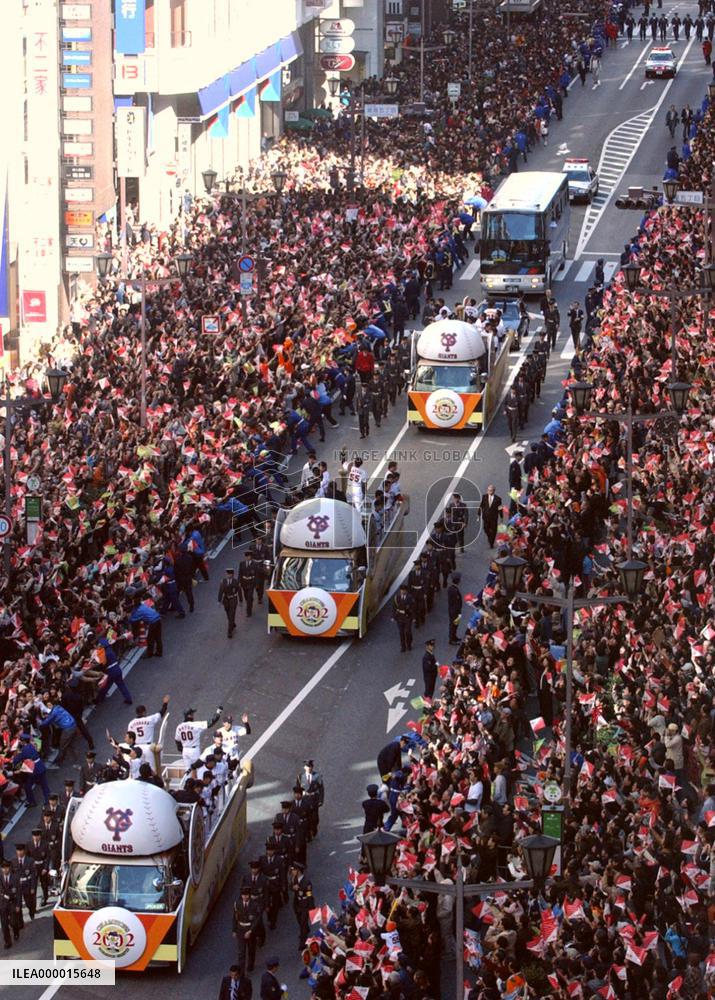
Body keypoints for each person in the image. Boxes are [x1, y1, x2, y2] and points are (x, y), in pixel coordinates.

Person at [175, 706, 222, 770]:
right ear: (189, 715)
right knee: (197, 769)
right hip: (194, 751)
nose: (193, 715)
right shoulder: (195, 725)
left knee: (188, 770)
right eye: (192, 714)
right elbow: (211, 722)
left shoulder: (179, 727)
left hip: (185, 751)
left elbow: (177, 742)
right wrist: (218, 713)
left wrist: (183, 750)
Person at [232, 884, 261, 975]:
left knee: (251, 949)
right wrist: (234, 930)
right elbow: (234, 917)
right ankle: (241, 973)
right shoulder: (237, 904)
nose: (245, 897)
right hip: (241, 929)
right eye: (243, 895)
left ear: (249, 895)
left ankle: (251, 964)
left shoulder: (255, 904)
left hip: (250, 929)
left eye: (247, 895)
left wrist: (250, 931)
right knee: (241, 952)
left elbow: (257, 919)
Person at [289, 861, 314, 952]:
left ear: (298, 871)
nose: (292, 872)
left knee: (303, 923)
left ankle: (302, 943)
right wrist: (293, 887)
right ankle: (305, 929)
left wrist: (311, 908)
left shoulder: (306, 882)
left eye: (294, 870)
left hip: (305, 904)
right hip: (297, 904)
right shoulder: (294, 879)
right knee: (299, 920)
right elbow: (290, 887)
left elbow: (309, 895)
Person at [297, 759, 324, 839]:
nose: (309, 768)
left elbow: (321, 789)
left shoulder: (317, 776)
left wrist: (321, 800)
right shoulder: (300, 777)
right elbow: (298, 789)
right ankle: (308, 834)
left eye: (311, 766)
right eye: (307, 766)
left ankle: (314, 830)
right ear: (304, 767)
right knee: (306, 818)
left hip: (314, 799)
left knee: (315, 818)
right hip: (304, 799)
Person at [11, 844, 36, 928]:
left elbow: (33, 875)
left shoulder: (30, 861)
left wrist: (32, 887)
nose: (19, 852)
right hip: (18, 886)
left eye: (21, 850)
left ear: (24, 851)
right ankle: (20, 923)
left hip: (27, 885)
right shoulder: (13, 861)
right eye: (18, 850)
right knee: (18, 904)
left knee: (29, 903)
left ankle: (31, 912)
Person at [0, 859, 18, 948]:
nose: (5, 870)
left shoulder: (15, 877)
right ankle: (7, 942)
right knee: (4, 924)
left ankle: (16, 930)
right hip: (2, 904)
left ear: (9, 868)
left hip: (12, 903)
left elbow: (18, 892)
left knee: (13, 922)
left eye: (6, 868)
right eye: (3, 868)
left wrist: (18, 905)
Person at [218, 567, 241, 638]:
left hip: (233, 599)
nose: (228, 575)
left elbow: (239, 590)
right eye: (227, 574)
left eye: (230, 574)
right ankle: (232, 623)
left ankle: (229, 632)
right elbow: (221, 591)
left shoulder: (236, 581)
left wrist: (241, 600)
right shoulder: (223, 581)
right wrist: (219, 601)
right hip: (226, 599)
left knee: (231, 614)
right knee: (228, 613)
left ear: (232, 574)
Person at [392, 583, 414, 652]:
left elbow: (413, 608)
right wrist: (393, 616)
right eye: (401, 590)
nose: (402, 591)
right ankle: (403, 646)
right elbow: (394, 607)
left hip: (407, 616)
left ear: (406, 591)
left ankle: (409, 644)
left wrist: (414, 618)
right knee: (401, 632)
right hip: (399, 617)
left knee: (407, 631)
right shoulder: (397, 597)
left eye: (404, 590)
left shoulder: (410, 597)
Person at [238, 551, 257, 618]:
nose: (247, 557)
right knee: (246, 597)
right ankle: (250, 601)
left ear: (250, 557)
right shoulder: (242, 563)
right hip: (244, 582)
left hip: (251, 582)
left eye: (248, 556)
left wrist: (256, 583)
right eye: (246, 556)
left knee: (249, 598)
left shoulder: (254, 564)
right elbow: (240, 573)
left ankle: (249, 612)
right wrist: (239, 582)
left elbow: (256, 574)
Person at [447, 573, 462, 646]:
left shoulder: (454, 589)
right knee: (453, 625)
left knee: (456, 624)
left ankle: (454, 636)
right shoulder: (453, 590)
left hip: (456, 611)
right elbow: (455, 601)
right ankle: (451, 639)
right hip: (454, 611)